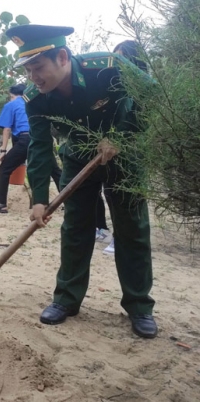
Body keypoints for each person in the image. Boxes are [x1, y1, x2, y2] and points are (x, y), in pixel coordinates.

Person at [6, 24, 157, 338]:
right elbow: (39, 145)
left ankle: (139, 306)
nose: (33, 77)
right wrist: (38, 199)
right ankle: (66, 299)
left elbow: (150, 94)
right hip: (77, 157)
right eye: (28, 70)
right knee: (76, 226)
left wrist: (120, 136)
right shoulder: (35, 98)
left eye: (38, 67)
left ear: (62, 57)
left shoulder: (106, 67)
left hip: (124, 155)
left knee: (132, 227)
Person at [99, 40, 149, 256]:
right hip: (111, 156)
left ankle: (130, 242)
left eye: (124, 58)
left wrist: (121, 139)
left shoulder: (143, 91)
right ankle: (118, 237)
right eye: (116, 58)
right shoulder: (113, 90)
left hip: (132, 156)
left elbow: (140, 124)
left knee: (132, 203)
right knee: (110, 194)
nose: (119, 64)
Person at [0, 84, 30, 213]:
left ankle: (0, 205)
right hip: (40, 139)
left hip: (25, 139)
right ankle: (68, 201)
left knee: (4, 169)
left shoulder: (11, 105)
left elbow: (6, 128)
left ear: (12, 96)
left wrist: (3, 151)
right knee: (53, 169)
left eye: (10, 97)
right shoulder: (31, 103)